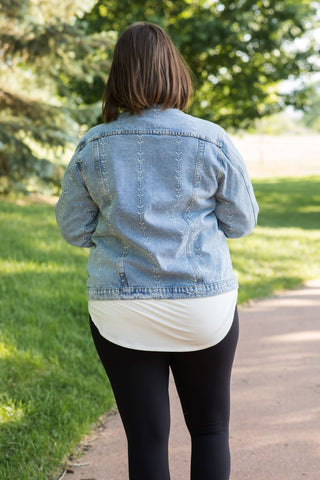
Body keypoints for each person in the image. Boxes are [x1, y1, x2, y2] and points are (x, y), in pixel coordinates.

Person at [55, 21, 259, 480]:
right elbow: (242, 223)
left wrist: (120, 234)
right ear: (174, 72)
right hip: (202, 305)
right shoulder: (211, 139)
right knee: (210, 431)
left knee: (145, 440)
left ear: (118, 77)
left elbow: (72, 228)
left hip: (122, 309)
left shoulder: (93, 144)